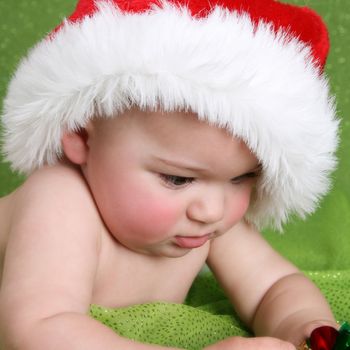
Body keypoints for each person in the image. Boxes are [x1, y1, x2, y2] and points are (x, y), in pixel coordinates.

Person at [0, 0, 341, 349]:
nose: (212, 210)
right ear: (82, 137)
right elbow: (35, 331)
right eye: (178, 179)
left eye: (241, 178)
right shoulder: (58, 200)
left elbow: (273, 285)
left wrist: (303, 325)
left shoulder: (206, 217)